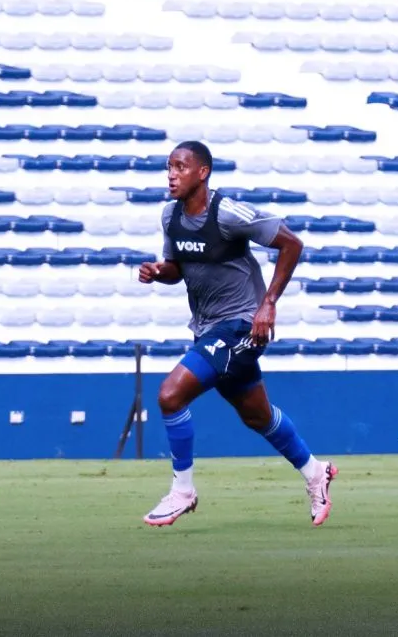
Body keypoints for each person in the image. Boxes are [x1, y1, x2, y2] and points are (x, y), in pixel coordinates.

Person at [137, 141, 338, 528]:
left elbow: (292, 243)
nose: (171, 175)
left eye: (180, 167)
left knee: (170, 395)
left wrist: (269, 303)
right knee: (257, 415)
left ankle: (182, 491)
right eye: (169, 167)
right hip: (208, 328)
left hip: (243, 324)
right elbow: (178, 268)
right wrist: (159, 272)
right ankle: (316, 472)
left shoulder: (227, 213)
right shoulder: (170, 216)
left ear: (203, 172)